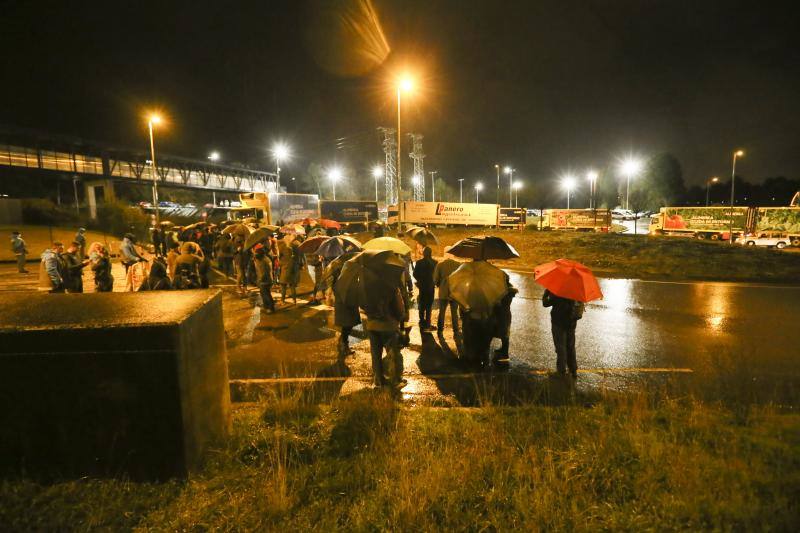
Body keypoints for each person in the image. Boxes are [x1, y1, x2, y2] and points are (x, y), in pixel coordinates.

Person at [362, 284, 408, 389]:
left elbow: (363, 306)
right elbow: (399, 309)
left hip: (372, 325)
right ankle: (395, 380)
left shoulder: (368, 286)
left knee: (375, 354)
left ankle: (378, 380)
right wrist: (400, 318)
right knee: (392, 353)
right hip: (388, 326)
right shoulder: (391, 286)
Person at [542, 289, 584, 378]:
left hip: (558, 323)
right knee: (570, 347)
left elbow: (545, 303)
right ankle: (573, 370)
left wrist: (546, 294)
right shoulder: (577, 291)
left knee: (561, 347)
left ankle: (561, 371)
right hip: (571, 324)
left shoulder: (558, 291)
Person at [433, 252, 460, 333]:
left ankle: (440, 328)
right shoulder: (458, 265)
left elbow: (435, 279)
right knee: (454, 312)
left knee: (442, 311)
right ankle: (456, 329)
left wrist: (439, 285)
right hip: (454, 291)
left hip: (443, 291)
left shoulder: (440, 265)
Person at [412, 246, 438, 331]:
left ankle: (421, 321)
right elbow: (436, 275)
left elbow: (415, 274)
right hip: (430, 287)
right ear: (431, 253)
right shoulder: (435, 262)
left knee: (422, 304)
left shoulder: (419, 263)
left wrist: (420, 280)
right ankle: (427, 323)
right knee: (429, 305)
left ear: (423, 253)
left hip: (422, 286)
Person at [279, 239, 304, 305]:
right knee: (292, 287)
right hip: (291, 275)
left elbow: (279, 264)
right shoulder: (293, 259)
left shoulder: (282, 259)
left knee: (283, 288)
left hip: (284, 275)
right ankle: (294, 300)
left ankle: (282, 301)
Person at [252, 247, 275, 312]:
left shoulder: (264, 261)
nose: (255, 254)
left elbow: (264, 272)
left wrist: (260, 280)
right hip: (265, 279)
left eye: (256, 253)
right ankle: (267, 306)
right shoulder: (263, 259)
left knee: (266, 294)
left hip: (265, 280)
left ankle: (270, 308)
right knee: (264, 293)